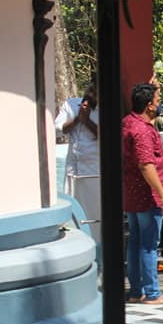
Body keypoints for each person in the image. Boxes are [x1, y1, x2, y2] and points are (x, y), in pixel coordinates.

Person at [122, 82, 163, 304]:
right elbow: (146, 164)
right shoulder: (142, 130)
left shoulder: (128, 122)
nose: (160, 103)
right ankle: (152, 292)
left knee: (135, 241)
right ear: (150, 106)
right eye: (158, 99)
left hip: (131, 194)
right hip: (146, 194)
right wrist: (162, 195)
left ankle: (136, 290)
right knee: (149, 243)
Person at [55, 85, 101, 249]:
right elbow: (57, 130)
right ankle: (76, 247)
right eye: (91, 92)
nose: (92, 96)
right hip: (73, 170)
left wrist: (86, 120)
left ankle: (96, 248)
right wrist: (77, 119)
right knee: (74, 213)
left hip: (94, 173)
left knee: (94, 215)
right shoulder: (71, 104)